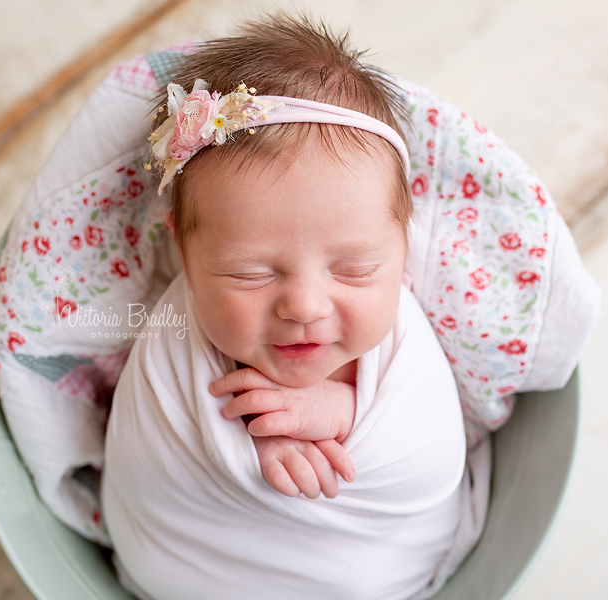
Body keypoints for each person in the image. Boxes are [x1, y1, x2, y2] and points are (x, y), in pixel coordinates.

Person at [101, 16, 483, 600]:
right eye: (249, 273)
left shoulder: (405, 347)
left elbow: (428, 459)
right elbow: (150, 469)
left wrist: (346, 412)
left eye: (355, 269)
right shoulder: (176, 341)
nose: (304, 306)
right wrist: (254, 440)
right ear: (183, 248)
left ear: (404, 242)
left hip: (379, 566)